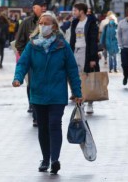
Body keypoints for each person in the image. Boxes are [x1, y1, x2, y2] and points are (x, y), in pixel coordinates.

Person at [13, 12, 83, 175]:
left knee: (54, 124)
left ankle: (55, 159)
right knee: (43, 127)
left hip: (57, 94)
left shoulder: (62, 45)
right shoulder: (32, 45)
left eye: (47, 23)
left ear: (54, 26)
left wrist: (77, 92)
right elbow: (23, 63)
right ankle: (45, 158)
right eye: (41, 23)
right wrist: (18, 78)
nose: (43, 25)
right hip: (37, 93)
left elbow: (72, 70)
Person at [15, 0, 48, 122]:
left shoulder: (51, 21)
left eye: (45, 6)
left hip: (48, 61)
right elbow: (19, 43)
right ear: (34, 8)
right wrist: (27, 57)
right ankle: (35, 112)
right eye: (41, 6)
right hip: (33, 62)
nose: (44, 8)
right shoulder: (26, 23)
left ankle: (44, 110)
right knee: (33, 85)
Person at [70, 3, 99, 114]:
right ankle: (80, 102)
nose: (74, 12)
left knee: (87, 77)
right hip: (75, 52)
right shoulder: (75, 22)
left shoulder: (91, 23)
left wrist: (93, 58)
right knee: (76, 78)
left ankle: (90, 103)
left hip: (85, 52)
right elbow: (72, 39)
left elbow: (93, 42)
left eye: (75, 10)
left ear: (81, 11)